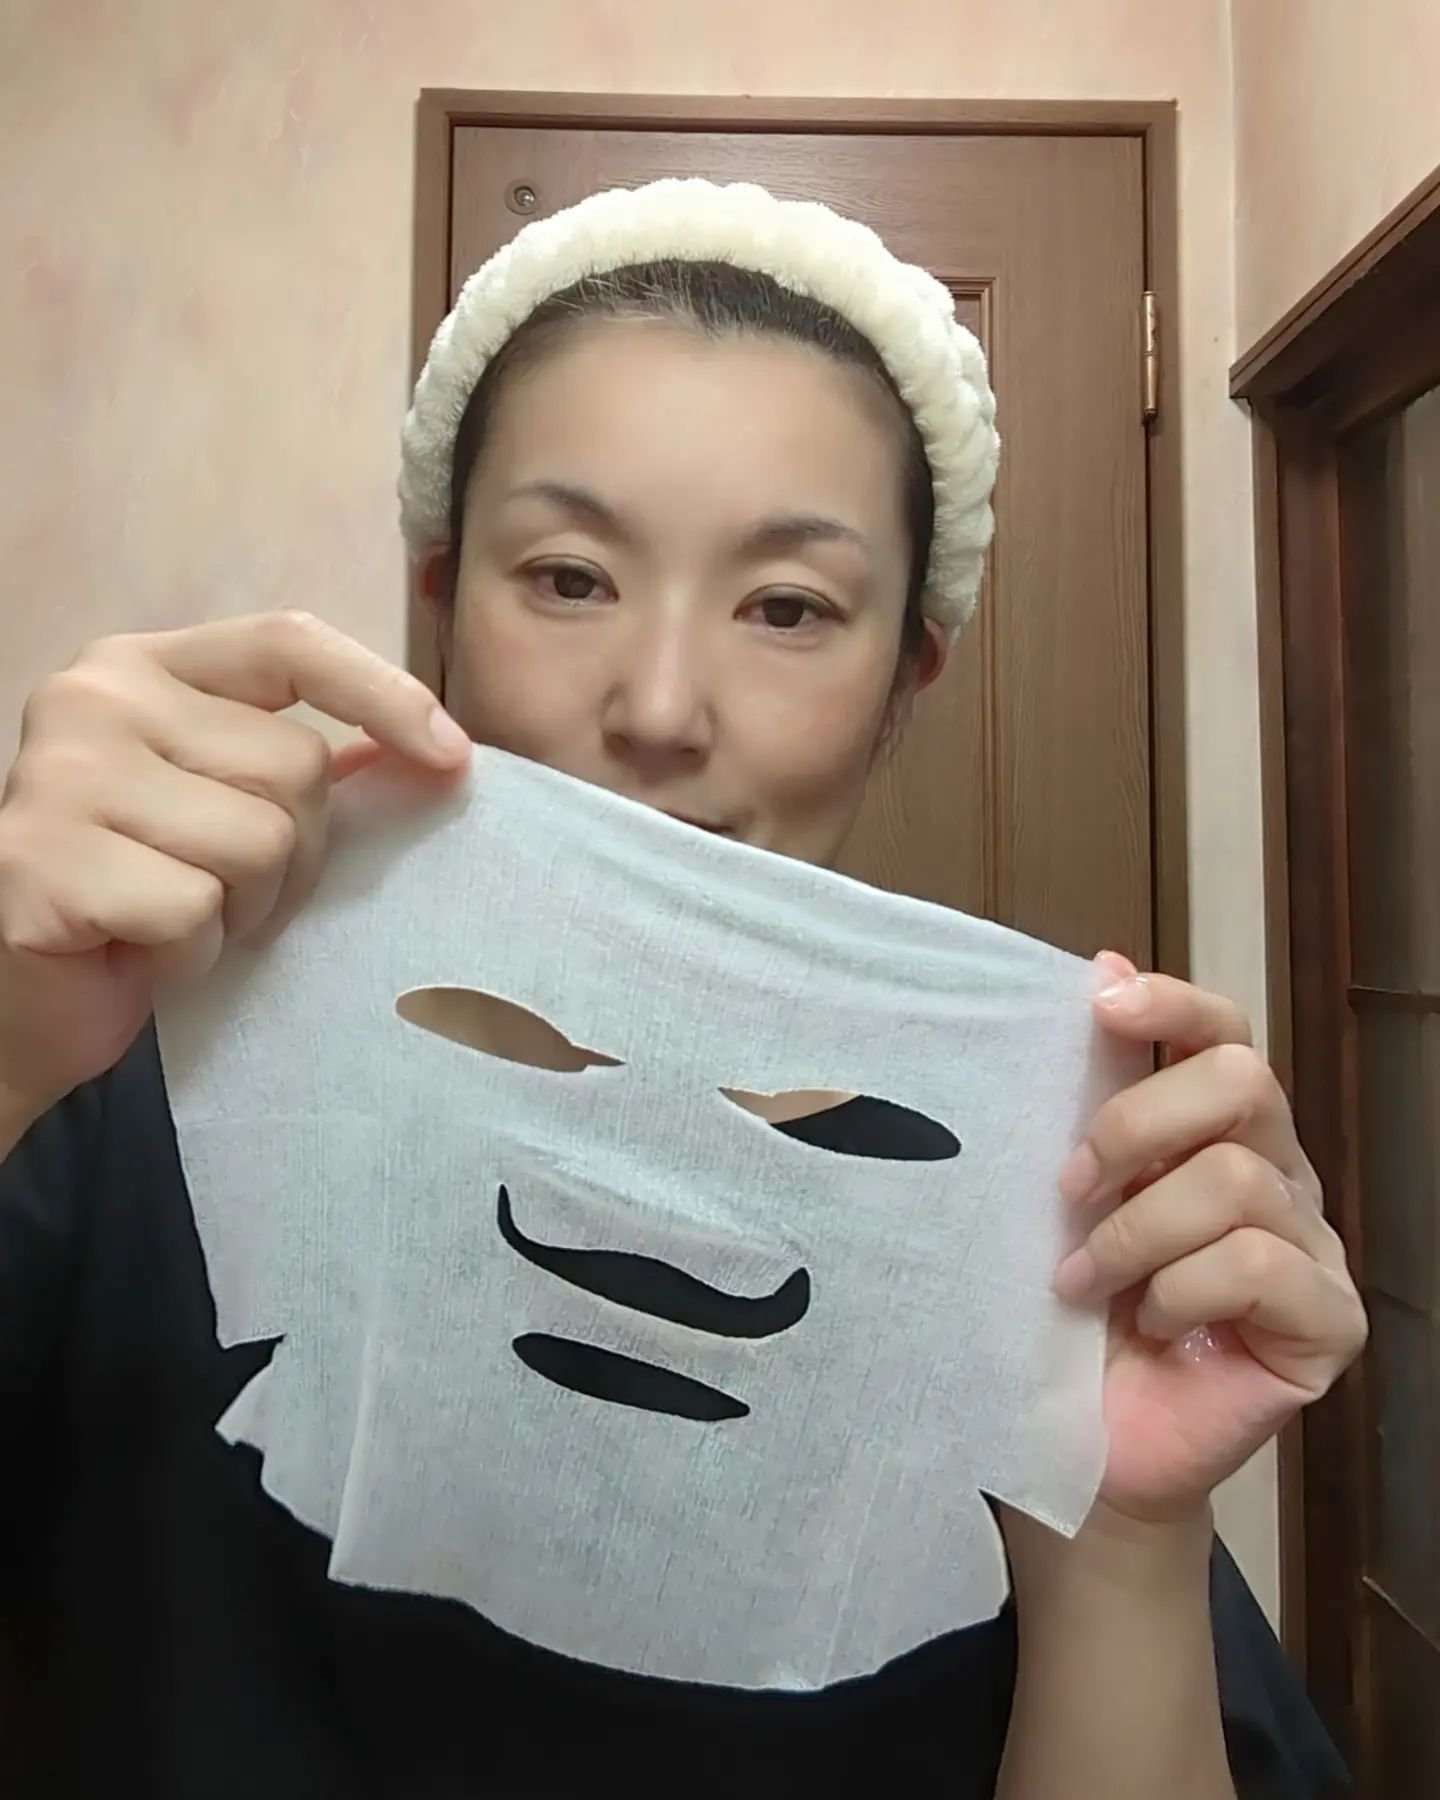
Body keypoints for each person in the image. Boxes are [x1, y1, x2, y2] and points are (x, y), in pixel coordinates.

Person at [0, 179, 1363, 1798]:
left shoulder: (1029, 1236)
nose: (658, 707)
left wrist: (1124, 1537)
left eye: (788, 608)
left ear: (906, 680)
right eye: (568, 577)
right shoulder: (123, 1095)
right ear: (438, 597)